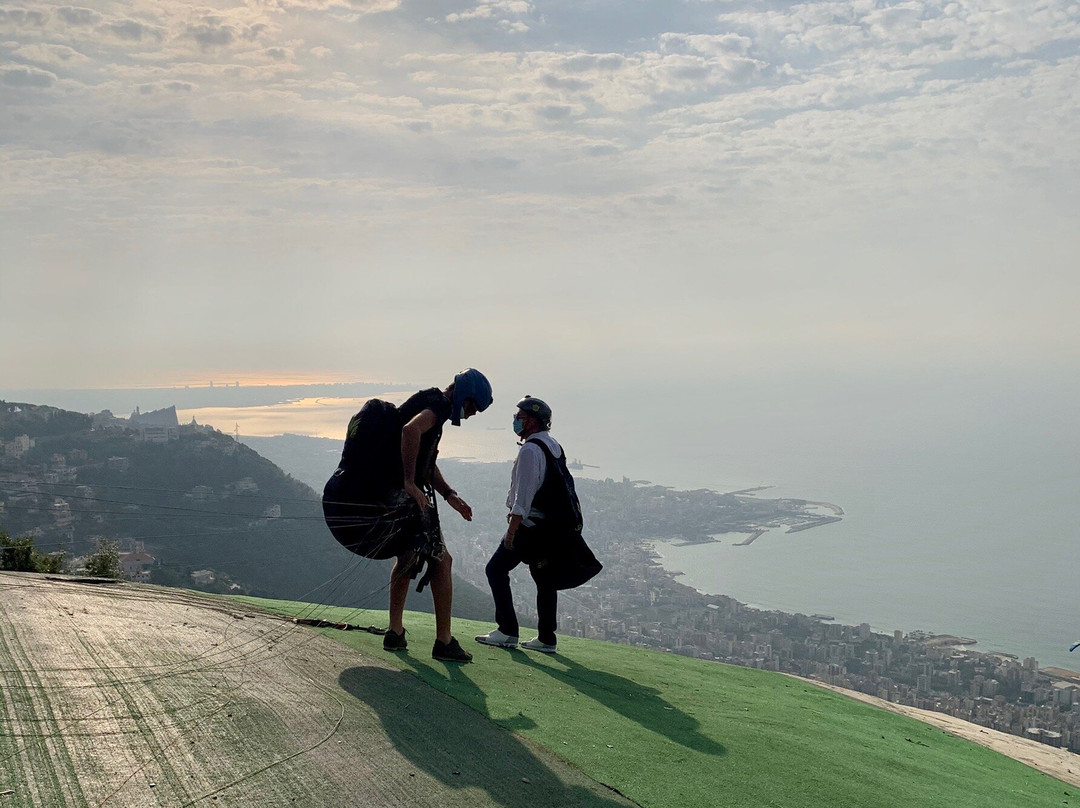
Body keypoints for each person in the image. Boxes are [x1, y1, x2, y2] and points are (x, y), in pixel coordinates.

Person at [323, 369, 492, 662]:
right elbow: (411, 431)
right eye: (472, 407)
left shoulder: (430, 402)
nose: (472, 414)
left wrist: (449, 495)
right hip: (398, 495)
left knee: (407, 555)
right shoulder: (438, 406)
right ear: (463, 395)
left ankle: (395, 632)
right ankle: (444, 641)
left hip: (379, 494)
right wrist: (410, 484)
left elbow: (426, 462)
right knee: (443, 560)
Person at [475, 395, 600, 654]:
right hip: (550, 529)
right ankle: (546, 638)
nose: (515, 421)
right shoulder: (553, 446)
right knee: (544, 579)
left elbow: (524, 497)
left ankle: (507, 630)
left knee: (496, 570)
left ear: (531, 421)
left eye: (519, 418)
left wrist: (512, 531)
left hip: (530, 528)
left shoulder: (531, 450)